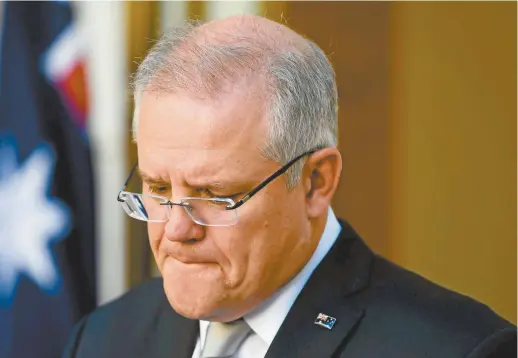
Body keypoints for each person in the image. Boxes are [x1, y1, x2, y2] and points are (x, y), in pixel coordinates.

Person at [62, 14, 516, 358]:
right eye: (158, 189)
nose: (176, 230)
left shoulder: (460, 349)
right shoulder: (102, 338)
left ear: (317, 182)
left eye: (212, 195)